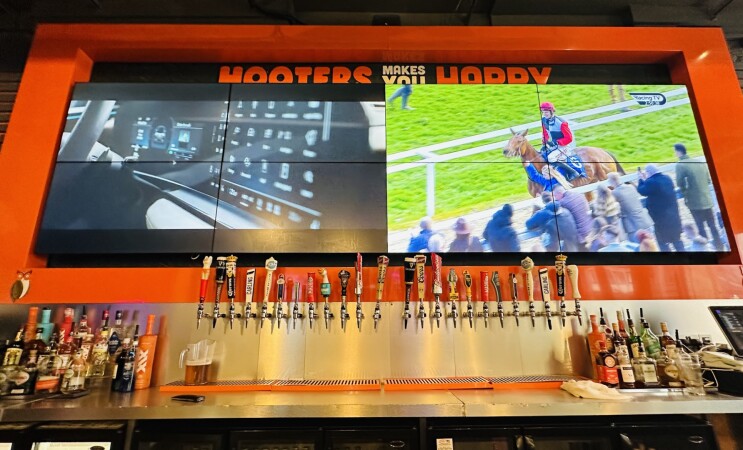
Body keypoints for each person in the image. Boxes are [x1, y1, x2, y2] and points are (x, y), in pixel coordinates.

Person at [674, 143, 723, 250]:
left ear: (678, 152)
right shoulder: (699, 162)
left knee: (700, 227)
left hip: (694, 202)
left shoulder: (680, 165)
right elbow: (708, 180)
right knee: (713, 226)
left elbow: (680, 183)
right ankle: (719, 247)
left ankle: (706, 249)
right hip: (707, 199)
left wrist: (686, 193)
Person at [637, 164, 684, 252]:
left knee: (663, 243)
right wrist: (646, 180)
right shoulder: (667, 178)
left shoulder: (651, 182)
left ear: (649, 172)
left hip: (660, 219)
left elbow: (642, 190)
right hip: (673, 216)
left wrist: (640, 179)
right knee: (677, 240)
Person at [539, 101, 584, 181]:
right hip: (554, 146)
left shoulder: (561, 122)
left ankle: (573, 172)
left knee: (551, 158)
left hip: (564, 146)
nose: (545, 114)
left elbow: (569, 138)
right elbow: (545, 133)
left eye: (546, 112)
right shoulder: (544, 120)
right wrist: (544, 143)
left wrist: (557, 142)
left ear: (551, 111)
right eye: (543, 112)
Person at [607, 172, 653, 241]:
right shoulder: (631, 187)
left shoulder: (615, 192)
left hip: (632, 225)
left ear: (611, 181)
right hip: (644, 220)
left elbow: (609, 205)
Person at [552, 186, 593, 250]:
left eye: (555, 196)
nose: (555, 198)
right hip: (590, 226)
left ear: (560, 193)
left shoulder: (563, 202)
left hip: (580, 234)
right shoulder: (579, 195)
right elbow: (587, 209)